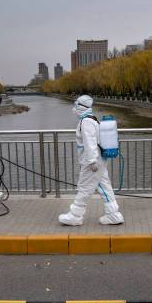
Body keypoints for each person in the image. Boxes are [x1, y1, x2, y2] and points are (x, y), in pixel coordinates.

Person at [59, 95, 124, 226]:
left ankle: (75, 216)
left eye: (76, 105)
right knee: (104, 186)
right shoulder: (92, 119)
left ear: (81, 107)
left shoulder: (86, 122)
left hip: (93, 162)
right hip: (99, 159)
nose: (74, 108)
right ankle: (113, 215)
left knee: (84, 187)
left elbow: (90, 143)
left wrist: (92, 161)